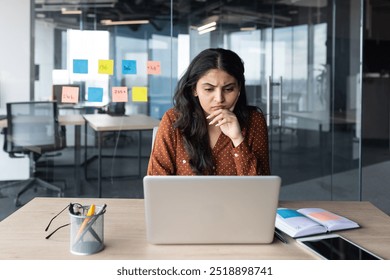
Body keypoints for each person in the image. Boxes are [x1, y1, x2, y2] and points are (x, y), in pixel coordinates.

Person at [147, 48, 270, 175]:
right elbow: (157, 179)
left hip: (236, 196)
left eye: (228, 89)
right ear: (194, 89)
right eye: (209, 89)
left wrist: (237, 139)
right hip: (185, 196)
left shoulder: (254, 121)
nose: (219, 99)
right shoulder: (173, 119)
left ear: (239, 88)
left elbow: (260, 186)